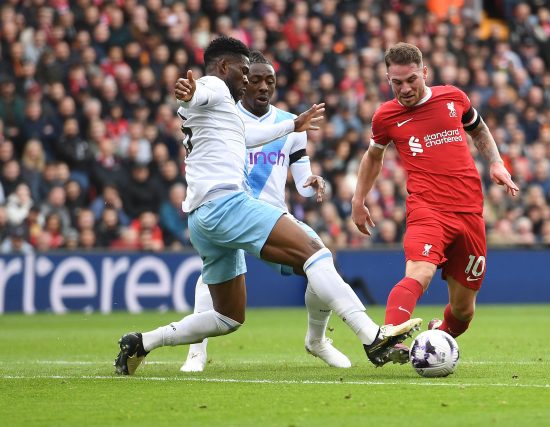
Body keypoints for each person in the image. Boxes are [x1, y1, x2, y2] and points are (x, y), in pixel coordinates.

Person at [114, 36, 421, 376]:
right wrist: (190, 90)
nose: (247, 80)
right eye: (244, 72)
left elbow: (245, 137)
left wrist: (292, 125)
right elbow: (200, 90)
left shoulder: (224, 111)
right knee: (315, 252)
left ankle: (142, 342)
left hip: (201, 218)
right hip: (226, 204)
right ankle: (371, 336)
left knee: (227, 317)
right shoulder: (213, 87)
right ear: (223, 67)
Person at [181, 51, 350, 371]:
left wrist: (311, 181)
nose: (262, 86)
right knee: (209, 279)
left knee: (318, 265)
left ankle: (317, 340)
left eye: (269, 81)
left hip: (270, 214)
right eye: (254, 78)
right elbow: (196, 102)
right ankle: (195, 353)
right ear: (242, 81)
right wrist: (193, 94)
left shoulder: (291, 123)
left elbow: (300, 179)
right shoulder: (224, 115)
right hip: (232, 208)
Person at [351, 42, 519, 362]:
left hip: (470, 212)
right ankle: (386, 338)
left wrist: (496, 162)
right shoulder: (386, 117)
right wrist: (359, 200)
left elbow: (479, 129)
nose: (404, 89)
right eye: (396, 82)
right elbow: (373, 157)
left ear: (424, 73)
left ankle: (437, 336)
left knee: (463, 311)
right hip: (427, 209)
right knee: (420, 271)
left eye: (411, 79)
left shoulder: (453, 98)